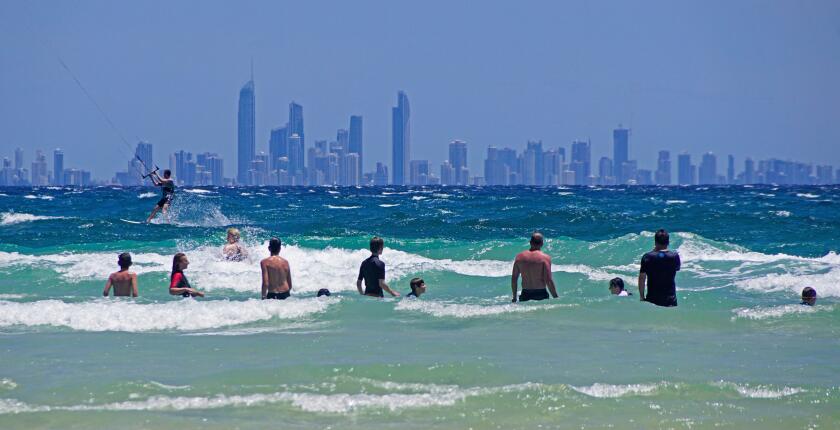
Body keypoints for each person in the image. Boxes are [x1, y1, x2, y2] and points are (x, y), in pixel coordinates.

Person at [511, 232, 558, 302]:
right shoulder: (545, 258)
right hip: (540, 294)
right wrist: (556, 298)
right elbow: (548, 280)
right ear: (542, 243)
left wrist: (514, 297)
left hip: (525, 294)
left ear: (530, 242)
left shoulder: (519, 257)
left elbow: (514, 279)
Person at [638, 229, 680, 307]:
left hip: (652, 299)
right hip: (670, 300)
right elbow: (676, 269)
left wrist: (642, 296)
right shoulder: (674, 256)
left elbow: (642, 278)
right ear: (668, 242)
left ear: (655, 242)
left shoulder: (647, 257)